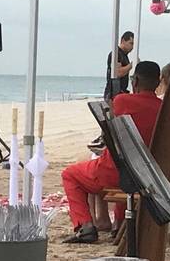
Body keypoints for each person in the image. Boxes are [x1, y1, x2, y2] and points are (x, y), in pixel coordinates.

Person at [62, 60, 162, 244]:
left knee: (71, 174)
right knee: (128, 168)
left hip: (116, 174)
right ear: (158, 82)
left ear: (135, 81)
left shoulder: (123, 101)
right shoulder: (162, 108)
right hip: (149, 176)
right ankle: (119, 223)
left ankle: (85, 226)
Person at [103, 31, 134, 101]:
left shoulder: (124, 55)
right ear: (123, 41)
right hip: (113, 93)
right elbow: (118, 73)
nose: (132, 47)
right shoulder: (116, 54)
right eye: (130, 43)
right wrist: (131, 65)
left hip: (120, 92)